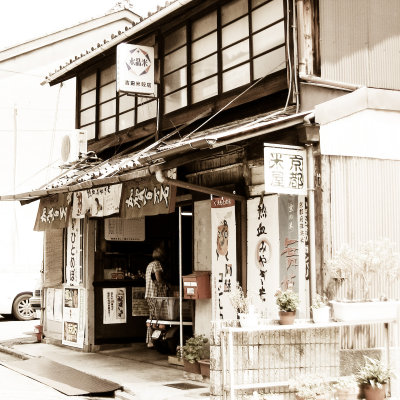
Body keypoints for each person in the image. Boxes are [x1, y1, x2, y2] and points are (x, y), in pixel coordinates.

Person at [145, 246, 167, 347]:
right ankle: (153, 341)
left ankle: (150, 340)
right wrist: (165, 283)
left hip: (149, 294)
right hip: (156, 294)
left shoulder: (149, 265)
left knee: (152, 317)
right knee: (158, 318)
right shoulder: (157, 264)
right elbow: (158, 278)